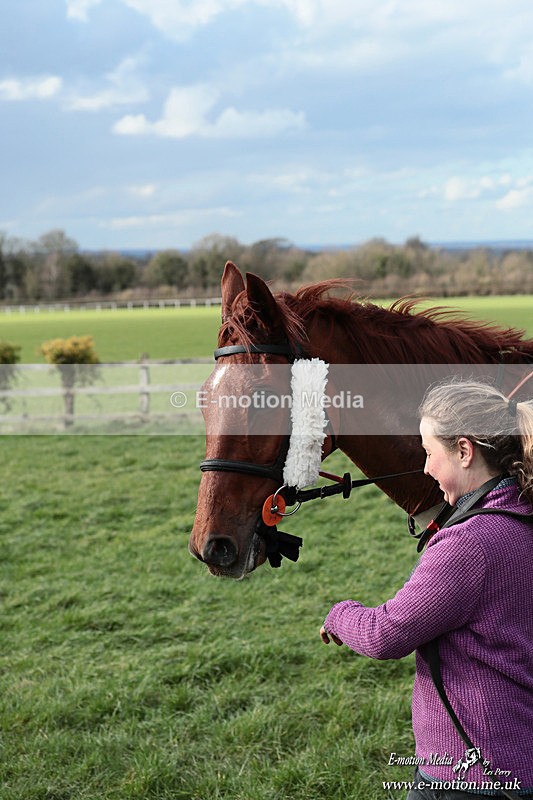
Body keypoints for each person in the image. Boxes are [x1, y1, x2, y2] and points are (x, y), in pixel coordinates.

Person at [320, 378, 533, 799]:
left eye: (430, 452)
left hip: (473, 775)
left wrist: (339, 614)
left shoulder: (470, 544)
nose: (425, 469)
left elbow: (386, 634)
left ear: (464, 451)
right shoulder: (525, 514)